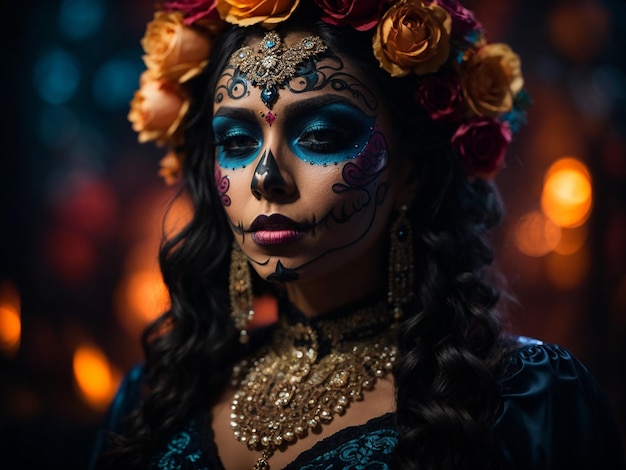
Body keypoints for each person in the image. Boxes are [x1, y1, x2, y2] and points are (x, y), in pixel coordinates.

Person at [91, 1, 625, 469]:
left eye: (320, 135)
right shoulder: (156, 394)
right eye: (235, 140)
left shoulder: (526, 397)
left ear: (410, 168)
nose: (265, 177)